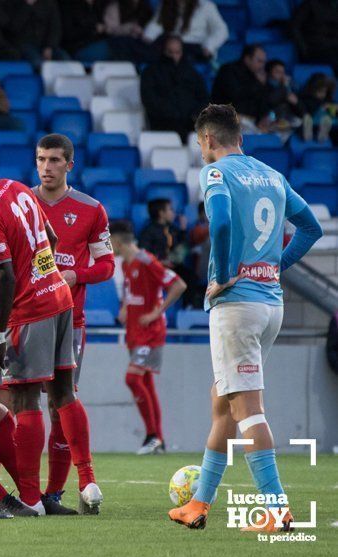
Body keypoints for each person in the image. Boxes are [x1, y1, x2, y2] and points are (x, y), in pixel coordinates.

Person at [168, 104, 322, 531]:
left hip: (237, 305)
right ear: (242, 138)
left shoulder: (216, 173)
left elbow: (217, 221)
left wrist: (222, 273)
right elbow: (311, 228)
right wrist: (275, 267)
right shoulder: (272, 176)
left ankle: (277, 510)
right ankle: (198, 504)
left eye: (201, 145)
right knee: (223, 402)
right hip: (270, 304)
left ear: (208, 141)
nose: (202, 152)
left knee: (248, 408)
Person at [0, 144, 101, 516]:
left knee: (26, 401)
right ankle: (87, 480)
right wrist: (43, 276)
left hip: (30, 312)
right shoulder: (15, 188)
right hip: (61, 299)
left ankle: (30, 499)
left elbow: (6, 277)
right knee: (63, 394)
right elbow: (52, 239)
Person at [31, 134, 115, 514]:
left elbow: (107, 265)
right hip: (25, 319)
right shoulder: (21, 203)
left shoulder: (90, 208)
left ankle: (53, 493)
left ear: (70, 165)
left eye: (54, 160)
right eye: (41, 159)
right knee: (16, 403)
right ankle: (24, 492)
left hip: (70, 320)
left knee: (59, 404)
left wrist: (75, 275)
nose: (46, 167)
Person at [110, 221, 186, 454]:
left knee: (133, 379)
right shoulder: (125, 264)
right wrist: (125, 308)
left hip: (151, 332)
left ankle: (152, 435)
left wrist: (156, 312)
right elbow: (132, 292)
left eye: (108, 240)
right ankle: (158, 440)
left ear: (118, 241)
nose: (107, 245)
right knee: (146, 383)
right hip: (135, 330)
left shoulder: (147, 261)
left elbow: (178, 285)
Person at [140, 35, 209, 141]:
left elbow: (202, 97)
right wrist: (171, 113)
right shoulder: (151, 73)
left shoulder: (191, 73)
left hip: (190, 124)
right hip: (162, 125)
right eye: (170, 52)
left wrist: (194, 114)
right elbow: (150, 100)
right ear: (163, 51)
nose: (174, 56)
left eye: (177, 52)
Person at [142, 0, 228, 62]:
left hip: (194, 46)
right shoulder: (166, 4)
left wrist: (209, 46)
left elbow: (221, 30)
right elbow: (157, 24)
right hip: (168, 44)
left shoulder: (206, 6)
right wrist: (148, 36)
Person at [211, 45, 271, 132]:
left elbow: (264, 100)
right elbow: (236, 95)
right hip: (229, 121)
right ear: (247, 59)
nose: (262, 66)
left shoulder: (258, 75)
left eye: (263, 62)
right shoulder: (228, 70)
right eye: (259, 61)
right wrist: (258, 84)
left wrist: (263, 117)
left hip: (253, 122)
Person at [7, 0, 66, 69]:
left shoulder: (49, 3)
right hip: (24, 44)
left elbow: (55, 28)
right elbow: (13, 27)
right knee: (38, 63)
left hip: (46, 44)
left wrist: (49, 46)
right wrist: (27, 6)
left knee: (66, 61)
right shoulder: (14, 3)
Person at [290, 0, 338, 74]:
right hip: (315, 48)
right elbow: (294, 27)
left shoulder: (333, 6)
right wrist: (304, 49)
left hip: (332, 45)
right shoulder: (310, 4)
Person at [265, 60, 303, 131]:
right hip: (271, 117)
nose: (281, 75)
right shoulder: (265, 85)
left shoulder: (288, 85)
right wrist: (284, 87)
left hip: (287, 117)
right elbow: (271, 101)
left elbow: (295, 102)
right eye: (277, 72)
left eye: (282, 72)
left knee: (298, 121)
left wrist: (296, 103)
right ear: (269, 72)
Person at [299, 73, 336, 143]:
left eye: (324, 91)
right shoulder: (306, 98)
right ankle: (307, 134)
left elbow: (333, 110)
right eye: (320, 91)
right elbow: (304, 110)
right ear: (313, 90)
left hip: (328, 119)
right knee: (308, 118)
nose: (322, 94)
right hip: (312, 118)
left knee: (327, 118)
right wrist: (322, 107)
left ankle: (322, 135)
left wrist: (331, 107)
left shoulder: (328, 99)